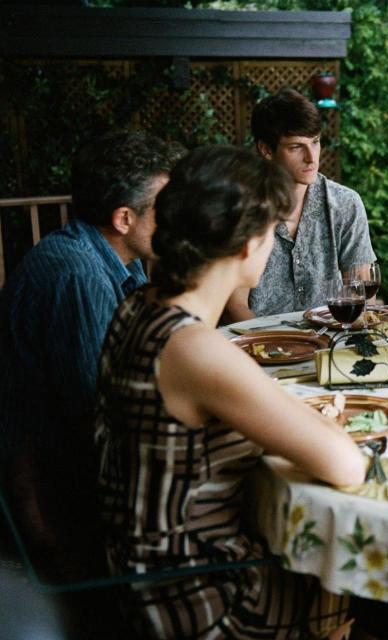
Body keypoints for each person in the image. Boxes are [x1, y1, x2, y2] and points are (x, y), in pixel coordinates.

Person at [95, 145, 366, 639]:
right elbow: (344, 464)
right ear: (247, 245)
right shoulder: (193, 347)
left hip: (135, 575)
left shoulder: (140, 305)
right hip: (194, 599)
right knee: (357, 584)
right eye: (274, 231)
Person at [0, 130, 178, 581]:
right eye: (165, 209)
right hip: (54, 493)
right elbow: (98, 412)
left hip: (67, 466)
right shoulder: (77, 275)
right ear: (123, 218)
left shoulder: (117, 259)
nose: (176, 221)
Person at [225, 89, 376, 320]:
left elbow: (363, 294)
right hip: (262, 346)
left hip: (331, 340)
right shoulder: (243, 208)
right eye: (296, 147)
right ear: (266, 150)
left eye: (315, 142)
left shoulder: (345, 204)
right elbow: (236, 305)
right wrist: (271, 347)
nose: (312, 157)